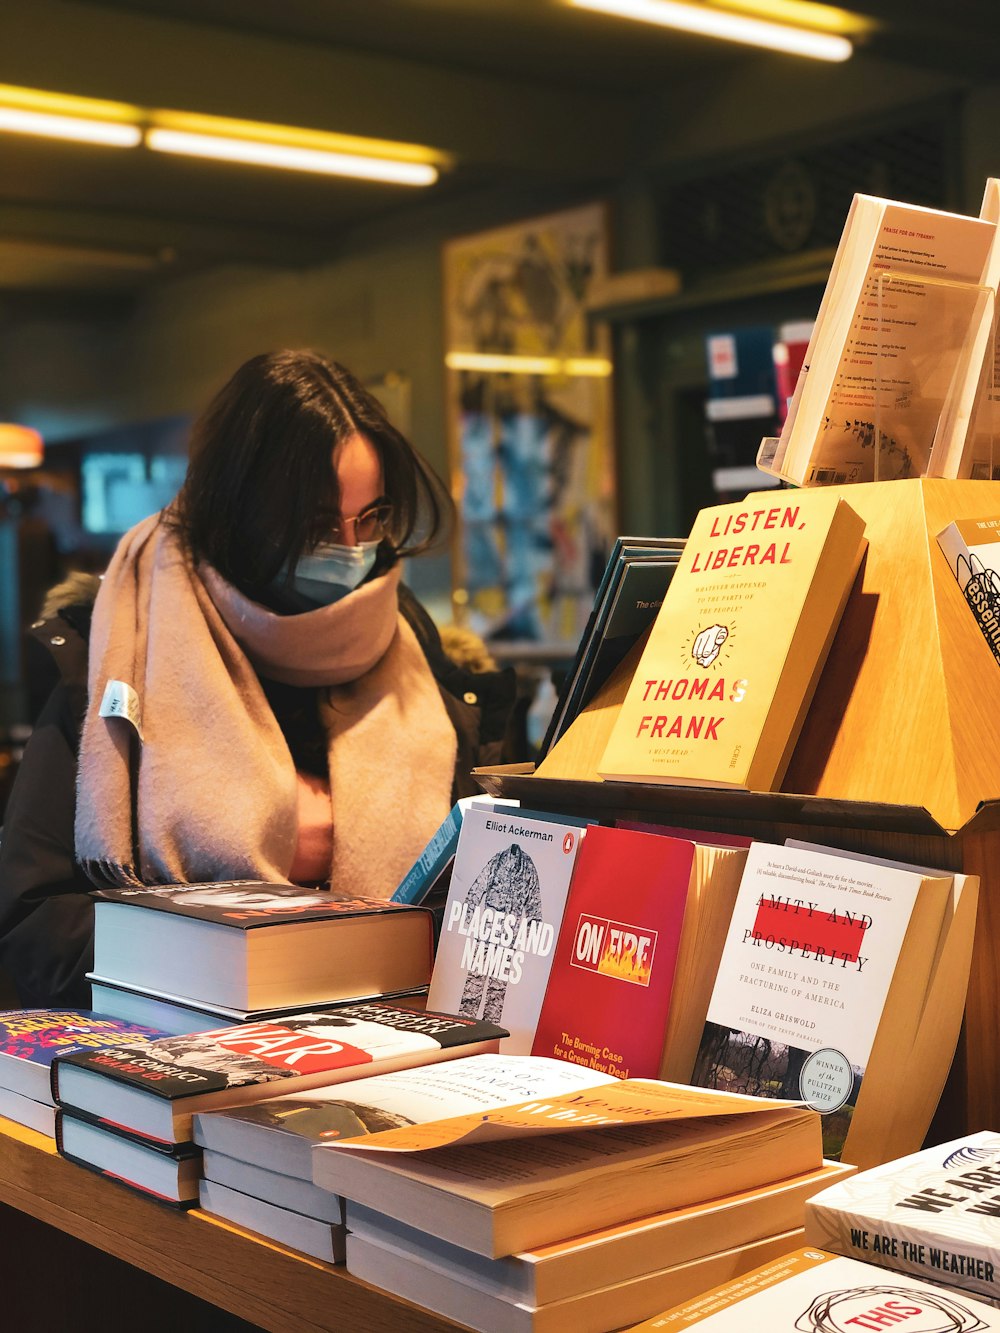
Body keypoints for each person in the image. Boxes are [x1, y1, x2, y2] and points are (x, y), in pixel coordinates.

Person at [0, 349, 516, 1008]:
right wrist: (252, 916)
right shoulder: (110, 649)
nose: (352, 549)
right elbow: (36, 924)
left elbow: (481, 905)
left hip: (400, 1046)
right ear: (239, 514)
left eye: (372, 518)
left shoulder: (416, 648)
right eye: (319, 525)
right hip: (186, 1062)